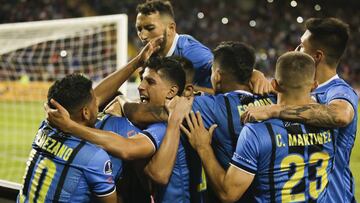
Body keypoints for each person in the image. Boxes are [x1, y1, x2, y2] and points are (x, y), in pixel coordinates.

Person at [121, 41, 277, 202]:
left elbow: (140, 113)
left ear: (216, 75)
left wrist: (122, 102)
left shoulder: (211, 107)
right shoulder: (275, 99)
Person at [183, 51, 337, 202]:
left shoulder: (256, 131)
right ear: (314, 85)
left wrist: (203, 148)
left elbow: (228, 193)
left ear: (274, 84)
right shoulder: (332, 126)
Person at [46, 57, 194, 203]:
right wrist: (122, 98)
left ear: (171, 92)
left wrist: (71, 127)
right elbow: (95, 100)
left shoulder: (163, 126)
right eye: (142, 79)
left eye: (150, 81)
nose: (140, 86)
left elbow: (156, 173)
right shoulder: (142, 117)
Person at [241, 17, 358, 203]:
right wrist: (255, 74)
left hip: (335, 198)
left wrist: (276, 110)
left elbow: (340, 115)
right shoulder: (298, 87)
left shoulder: (338, 91)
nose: (296, 49)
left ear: (317, 56)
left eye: (302, 45)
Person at [18, 74, 117, 203]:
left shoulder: (44, 129)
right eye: (95, 102)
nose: (98, 104)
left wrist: (136, 62)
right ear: (85, 113)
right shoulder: (94, 157)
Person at [135, 0, 272, 94]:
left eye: (149, 28)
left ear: (171, 28)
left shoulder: (190, 51)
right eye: (139, 29)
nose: (143, 35)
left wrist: (254, 74)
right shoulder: (151, 55)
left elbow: (229, 68)